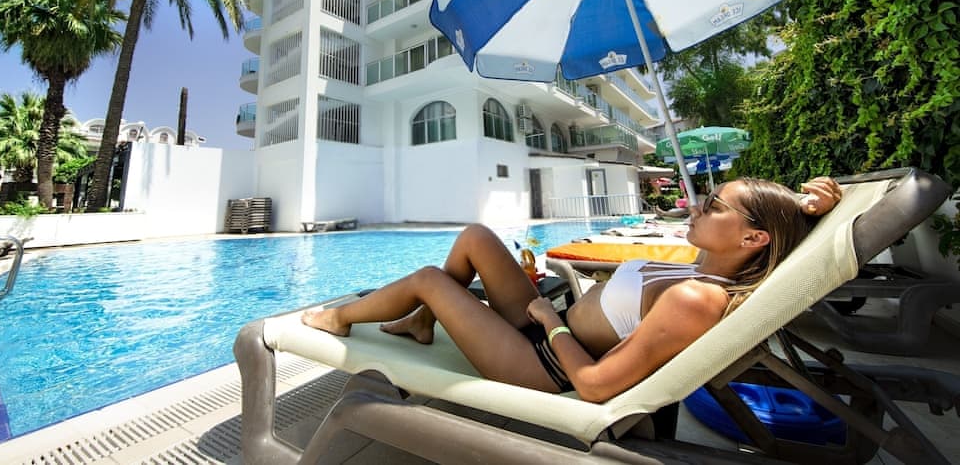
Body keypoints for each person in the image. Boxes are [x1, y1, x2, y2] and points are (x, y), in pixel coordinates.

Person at [303, 176, 842, 403]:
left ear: (752, 238)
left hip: (544, 364)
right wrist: (808, 208)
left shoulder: (697, 299)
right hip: (547, 329)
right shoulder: (709, 267)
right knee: (475, 237)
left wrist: (550, 321)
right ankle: (422, 322)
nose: (698, 205)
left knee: (428, 279)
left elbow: (593, 386)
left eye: (715, 205)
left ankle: (340, 319)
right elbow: (780, 233)